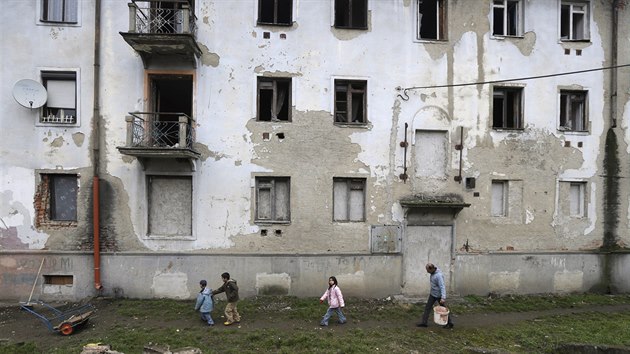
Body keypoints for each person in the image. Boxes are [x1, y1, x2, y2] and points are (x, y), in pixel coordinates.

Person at [417, 263, 454, 329]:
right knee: (427, 308)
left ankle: (449, 323)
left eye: (427, 270)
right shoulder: (432, 273)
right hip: (433, 294)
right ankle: (424, 323)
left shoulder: (438, 276)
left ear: (431, 269)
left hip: (439, 296)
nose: (427, 271)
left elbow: (442, 286)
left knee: (444, 310)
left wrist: (443, 298)